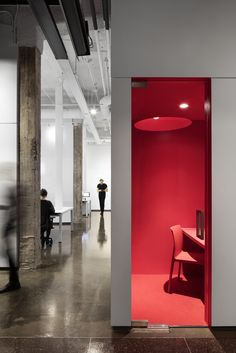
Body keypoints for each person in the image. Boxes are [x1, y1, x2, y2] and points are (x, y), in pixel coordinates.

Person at [0, 163, 21, 293]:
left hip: (7, 224)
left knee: (8, 252)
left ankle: (14, 282)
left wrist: (6, 224)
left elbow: (6, 207)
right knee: (8, 252)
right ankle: (14, 281)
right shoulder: (10, 185)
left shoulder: (7, 185)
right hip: (9, 224)